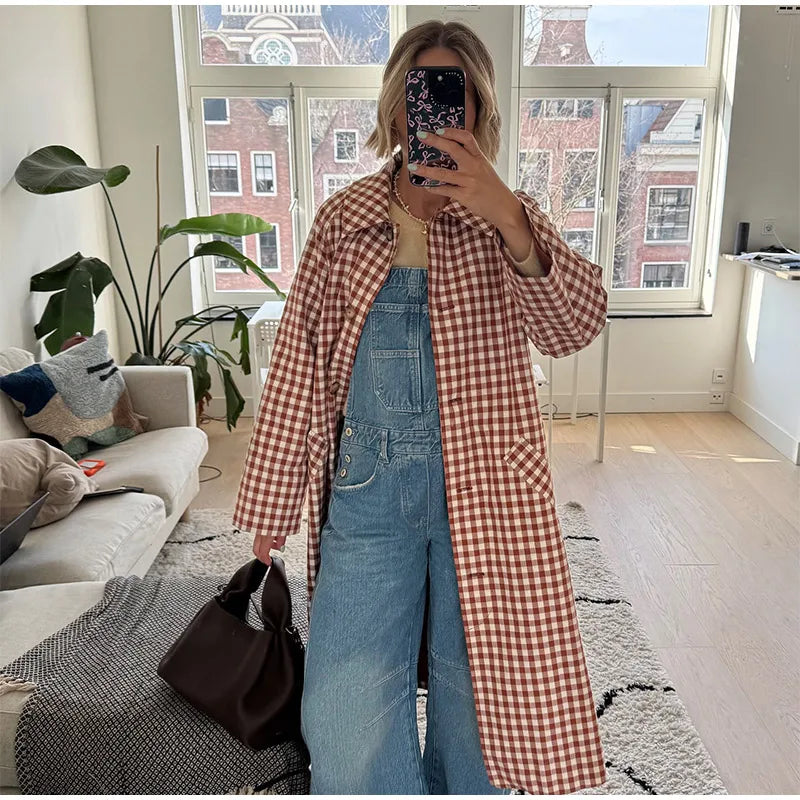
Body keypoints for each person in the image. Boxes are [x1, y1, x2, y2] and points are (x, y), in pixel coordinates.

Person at [236, 18, 608, 798]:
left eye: (458, 95)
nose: (439, 113)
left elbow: (574, 325)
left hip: (490, 486)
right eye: (425, 93)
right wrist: (271, 506)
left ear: (479, 111)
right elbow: (299, 358)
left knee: (481, 692)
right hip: (368, 488)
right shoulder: (345, 219)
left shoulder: (512, 216)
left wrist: (509, 217)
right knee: (346, 701)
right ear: (398, 108)